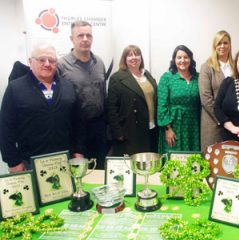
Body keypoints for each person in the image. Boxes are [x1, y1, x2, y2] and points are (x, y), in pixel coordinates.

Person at [0, 43, 85, 173]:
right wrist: (13, 161)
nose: (47, 64)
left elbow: (78, 123)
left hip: (65, 160)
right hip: (29, 162)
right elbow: (5, 128)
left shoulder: (68, 87)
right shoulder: (15, 88)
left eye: (51, 60)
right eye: (41, 60)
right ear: (30, 62)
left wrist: (79, 150)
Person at [57, 20, 108, 169]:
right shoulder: (61, 65)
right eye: (80, 35)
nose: (85, 39)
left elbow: (103, 93)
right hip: (75, 128)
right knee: (78, 170)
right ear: (72, 39)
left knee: (99, 168)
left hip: (98, 127)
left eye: (88, 35)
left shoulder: (99, 62)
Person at [107, 45, 158, 156]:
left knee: (149, 161)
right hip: (130, 129)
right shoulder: (116, 78)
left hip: (151, 127)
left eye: (137, 54)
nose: (134, 57)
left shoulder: (147, 74)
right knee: (135, 164)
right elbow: (112, 108)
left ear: (141, 57)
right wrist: (117, 132)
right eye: (130, 55)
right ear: (124, 59)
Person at [157, 45, 200, 154]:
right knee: (174, 159)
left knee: (193, 159)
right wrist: (167, 129)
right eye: (179, 57)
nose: (182, 60)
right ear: (174, 60)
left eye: (186, 57)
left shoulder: (198, 78)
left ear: (190, 59)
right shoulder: (167, 77)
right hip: (173, 125)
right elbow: (161, 105)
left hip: (194, 126)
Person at [199, 30, 234, 152]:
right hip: (213, 123)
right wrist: (223, 120)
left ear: (230, 45)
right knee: (212, 163)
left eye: (225, 43)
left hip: (234, 123)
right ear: (214, 46)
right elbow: (205, 98)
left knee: (231, 161)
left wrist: (233, 121)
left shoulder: (237, 66)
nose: (222, 46)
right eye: (219, 43)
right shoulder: (207, 67)